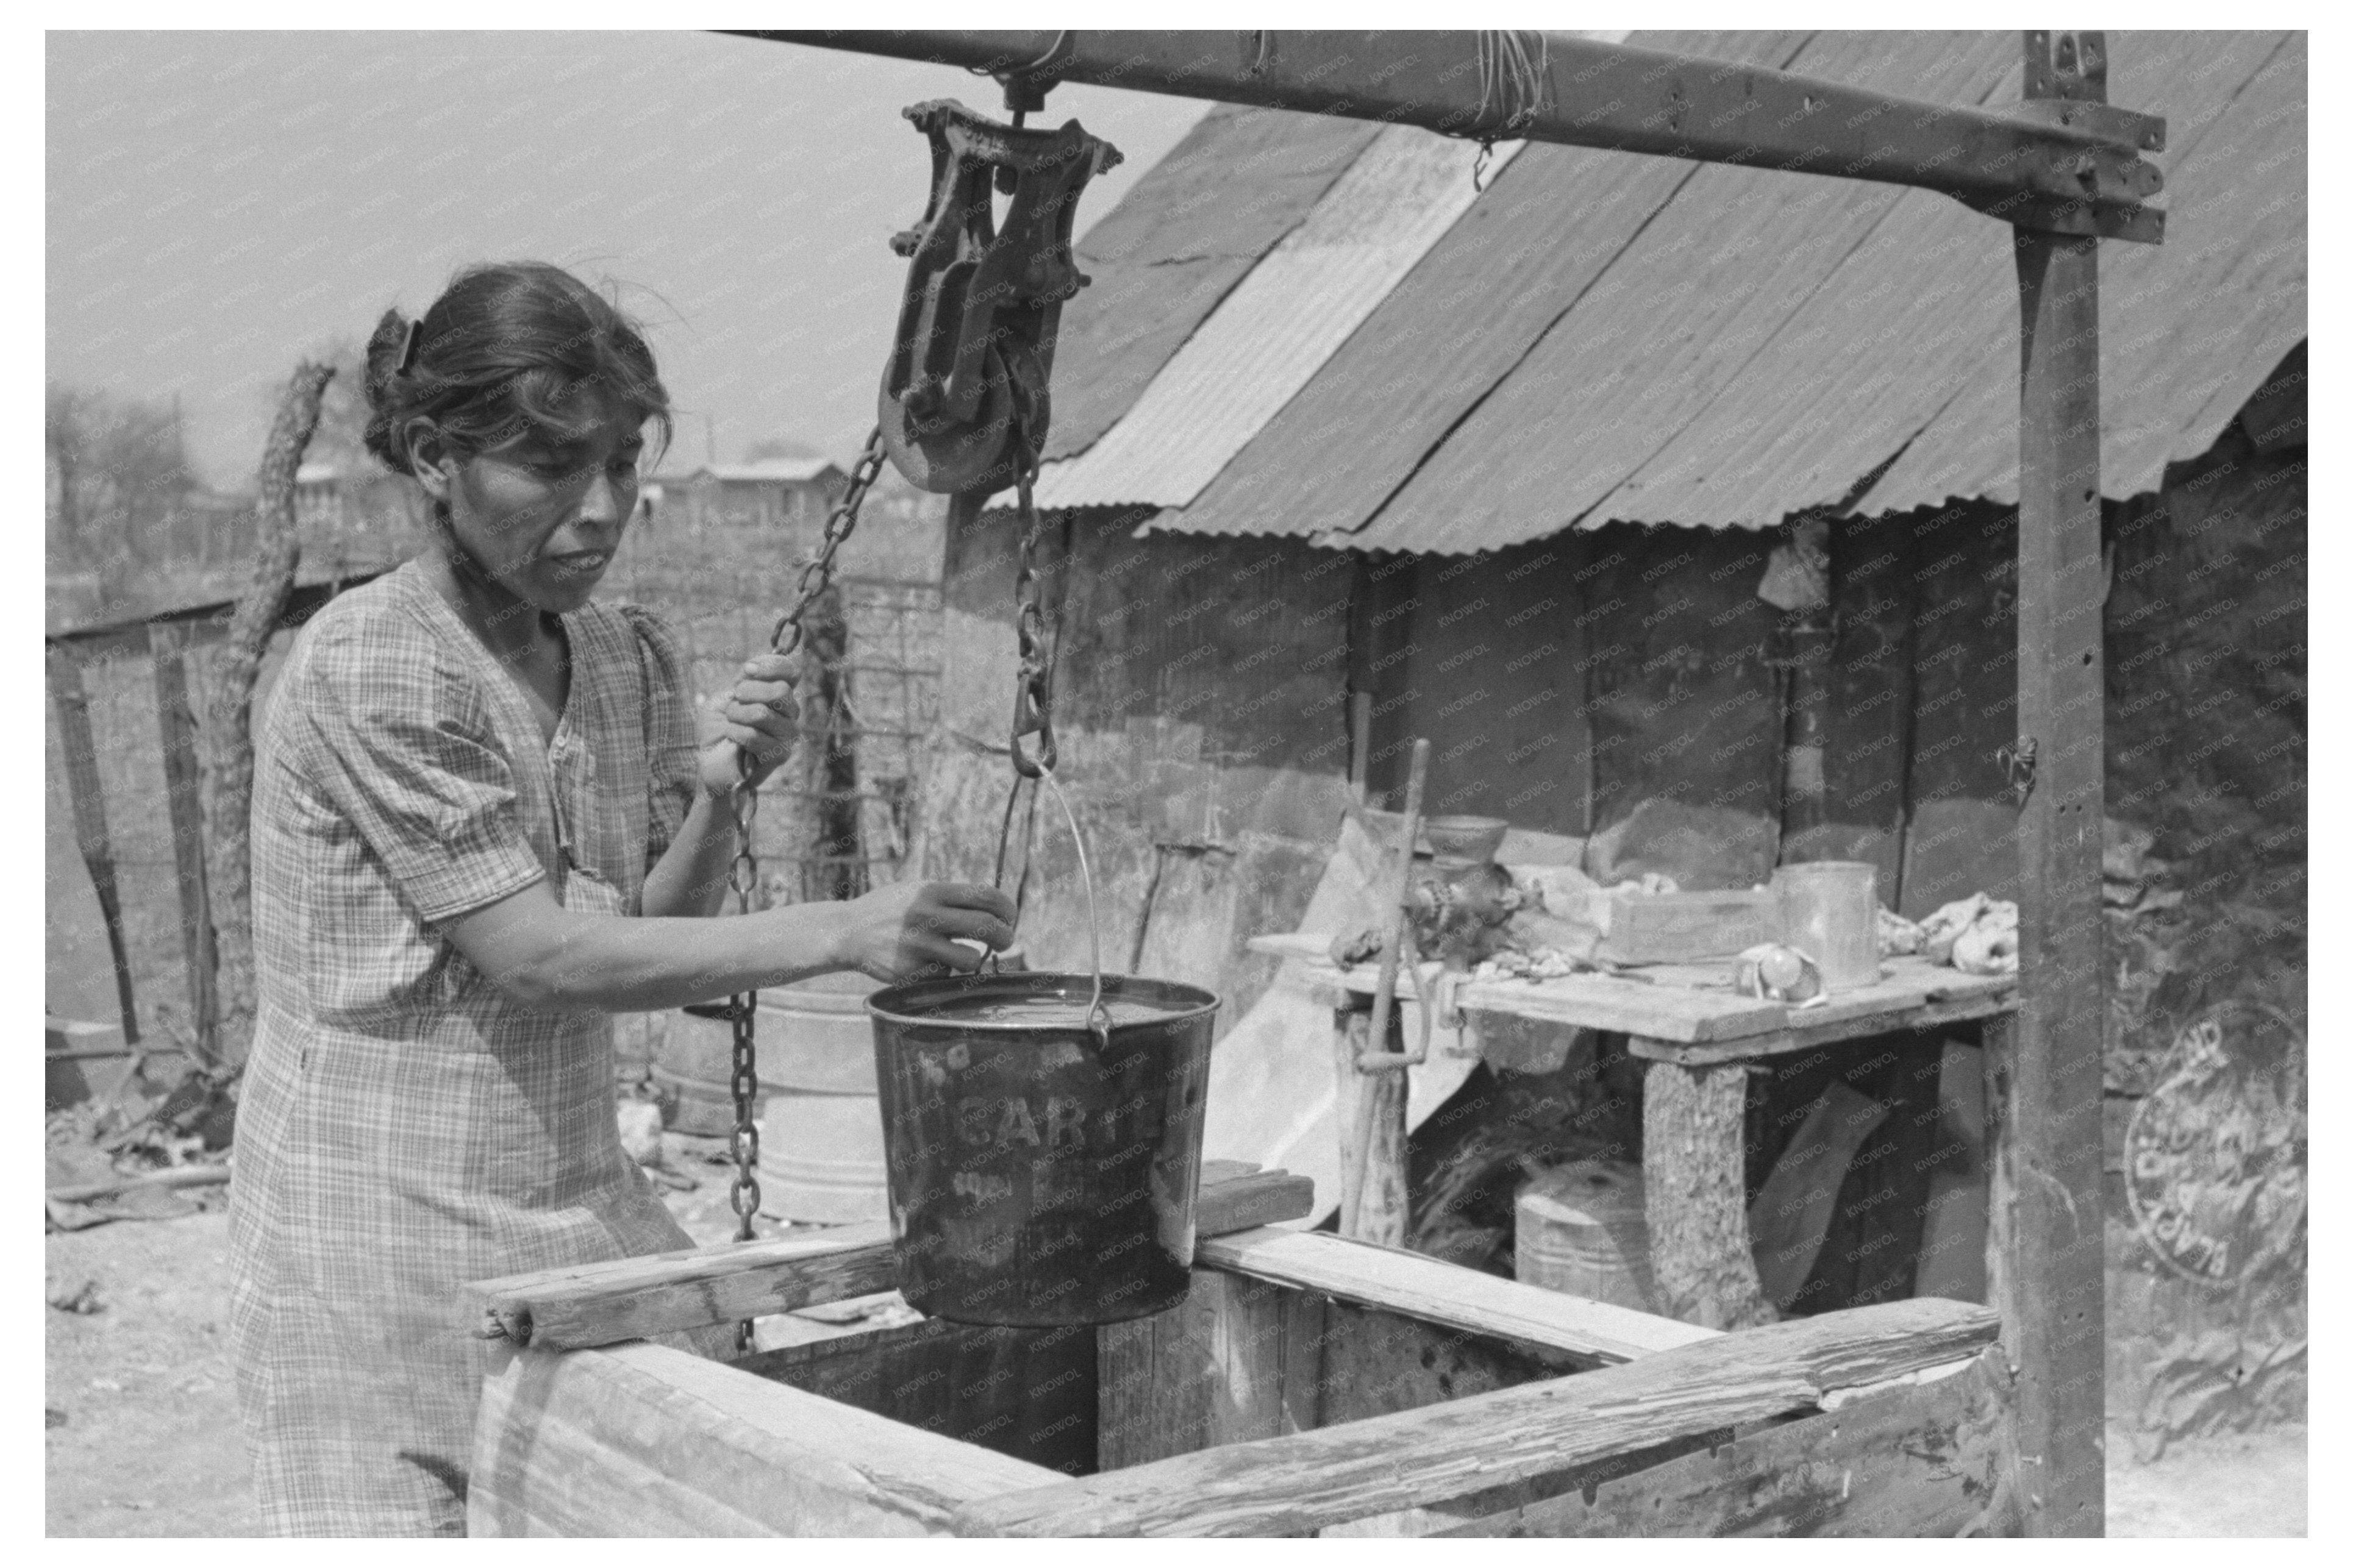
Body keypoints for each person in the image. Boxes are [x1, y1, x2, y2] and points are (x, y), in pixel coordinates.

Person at [226, 261, 1015, 1536]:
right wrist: (844, 925)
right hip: (372, 1234)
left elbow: (648, 921)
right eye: (551, 469)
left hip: (568, 1196)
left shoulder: (613, 649)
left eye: (623, 465)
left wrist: (717, 793)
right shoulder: (378, 662)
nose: (602, 511)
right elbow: (535, 953)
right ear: (435, 455)